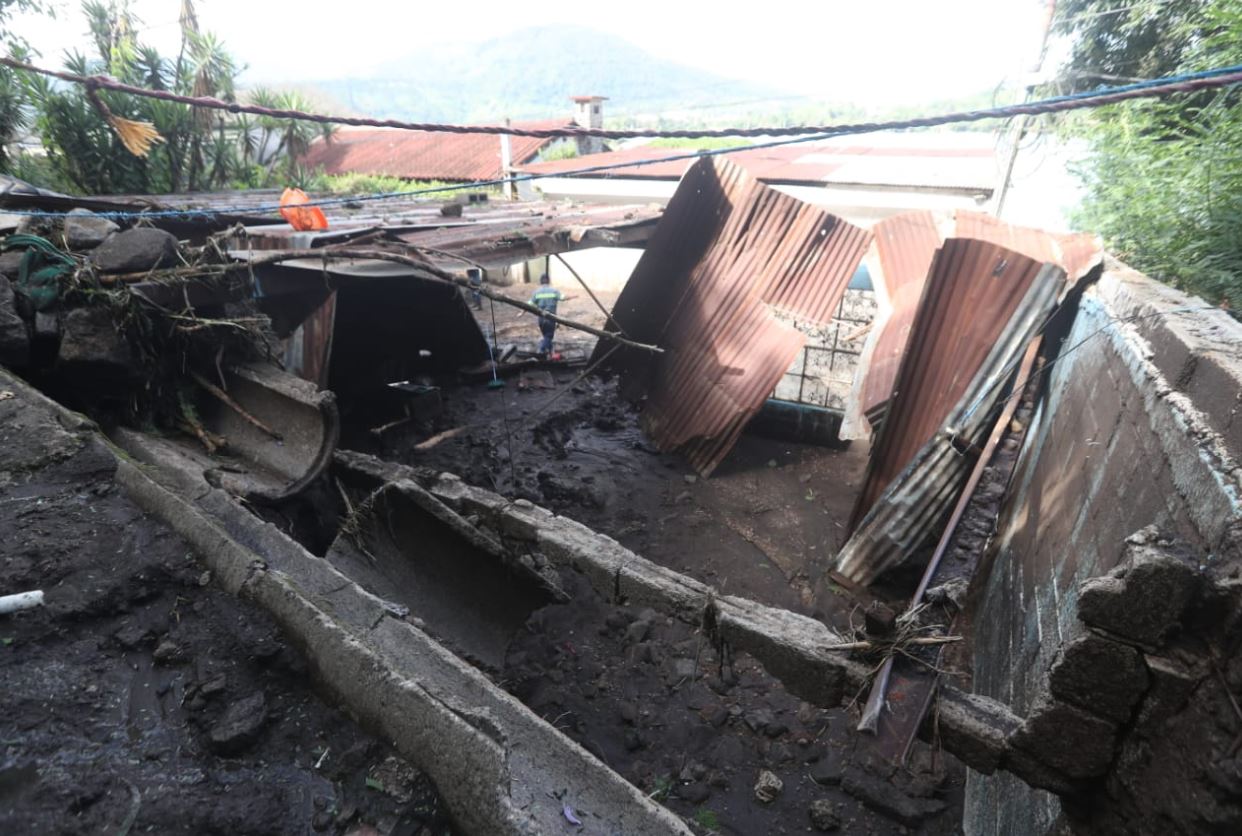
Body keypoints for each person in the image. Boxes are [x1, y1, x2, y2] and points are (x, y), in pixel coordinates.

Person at [529, 273, 573, 357]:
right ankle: (541, 351)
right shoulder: (554, 291)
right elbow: (563, 298)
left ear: (540, 282)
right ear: (549, 281)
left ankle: (550, 353)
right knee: (548, 336)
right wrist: (572, 296)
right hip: (550, 318)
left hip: (541, 319)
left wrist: (521, 312)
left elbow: (529, 304)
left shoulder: (536, 292)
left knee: (546, 336)